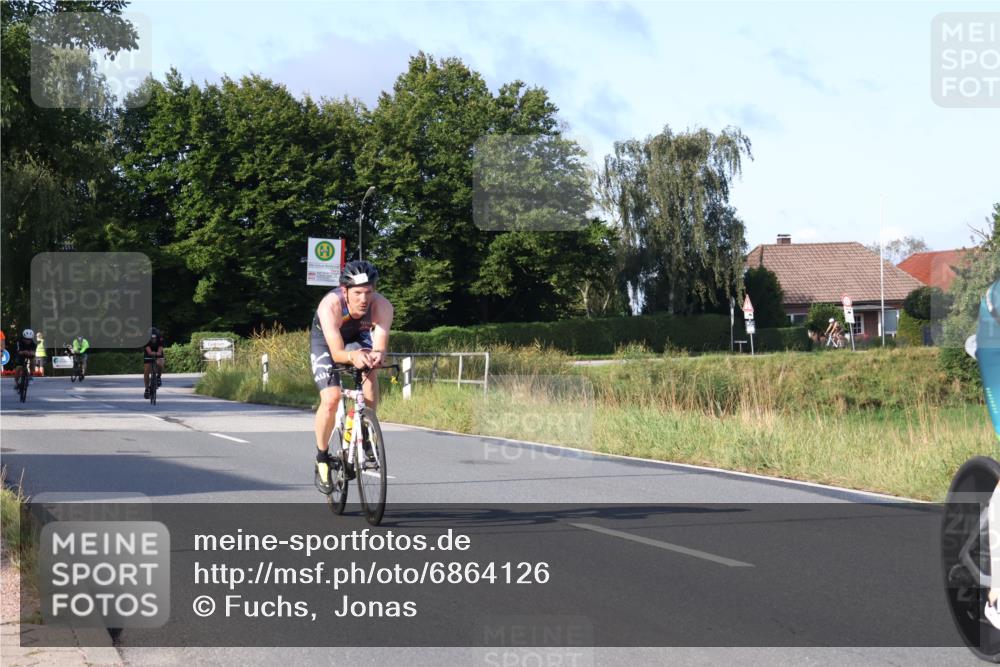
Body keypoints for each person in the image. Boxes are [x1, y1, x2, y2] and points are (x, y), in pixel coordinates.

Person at [311, 260, 394, 494]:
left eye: (368, 292)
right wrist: (352, 356)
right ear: (344, 291)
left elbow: (379, 346)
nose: (363, 299)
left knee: (371, 369)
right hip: (327, 342)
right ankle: (322, 457)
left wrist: (375, 357)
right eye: (357, 293)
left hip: (358, 336)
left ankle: (366, 430)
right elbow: (337, 353)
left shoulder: (383, 307)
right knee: (332, 398)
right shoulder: (330, 305)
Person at [143, 328, 165, 399]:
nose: (153, 340)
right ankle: (147, 389)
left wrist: (158, 354)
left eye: (155, 338)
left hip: (157, 350)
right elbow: (149, 352)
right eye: (152, 338)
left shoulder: (160, 338)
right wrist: (154, 353)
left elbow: (160, 349)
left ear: (157, 337)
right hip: (148, 352)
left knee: (160, 363)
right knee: (146, 370)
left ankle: (158, 377)